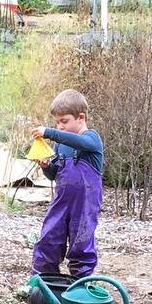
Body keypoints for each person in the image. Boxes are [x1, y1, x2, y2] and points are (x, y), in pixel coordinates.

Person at [31, 87, 104, 282]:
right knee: (49, 238)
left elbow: (82, 143)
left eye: (64, 121)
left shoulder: (92, 139)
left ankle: (81, 284)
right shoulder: (60, 145)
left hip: (85, 204)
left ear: (81, 117)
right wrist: (46, 166)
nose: (60, 126)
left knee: (81, 243)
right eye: (57, 122)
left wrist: (50, 132)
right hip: (61, 201)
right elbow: (54, 175)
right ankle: (43, 283)